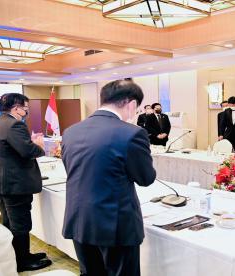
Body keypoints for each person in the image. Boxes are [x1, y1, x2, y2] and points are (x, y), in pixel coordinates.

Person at [62, 80, 156, 276]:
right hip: (115, 223)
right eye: (136, 109)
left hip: (79, 218)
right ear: (131, 104)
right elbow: (145, 178)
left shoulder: (71, 131)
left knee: (90, 272)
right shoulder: (132, 133)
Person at [0, 93, 52, 272]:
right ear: (16, 108)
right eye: (26, 109)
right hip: (14, 183)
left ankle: (19, 255)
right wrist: (38, 145)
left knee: (10, 222)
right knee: (20, 224)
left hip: (1, 180)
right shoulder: (14, 124)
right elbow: (27, 151)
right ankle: (22, 261)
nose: (26, 112)